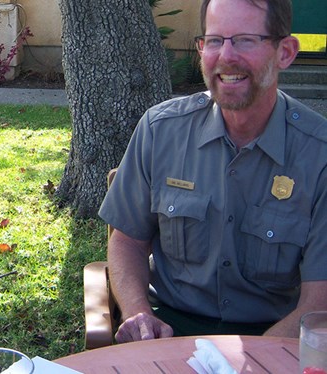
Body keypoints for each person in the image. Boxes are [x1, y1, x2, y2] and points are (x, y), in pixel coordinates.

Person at [99, 0, 327, 344]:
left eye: (246, 40)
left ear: (285, 52)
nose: (226, 56)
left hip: (274, 336)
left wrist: (251, 361)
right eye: (215, 40)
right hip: (172, 329)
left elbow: (317, 303)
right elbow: (127, 241)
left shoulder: (319, 155)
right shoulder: (161, 130)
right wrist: (137, 312)